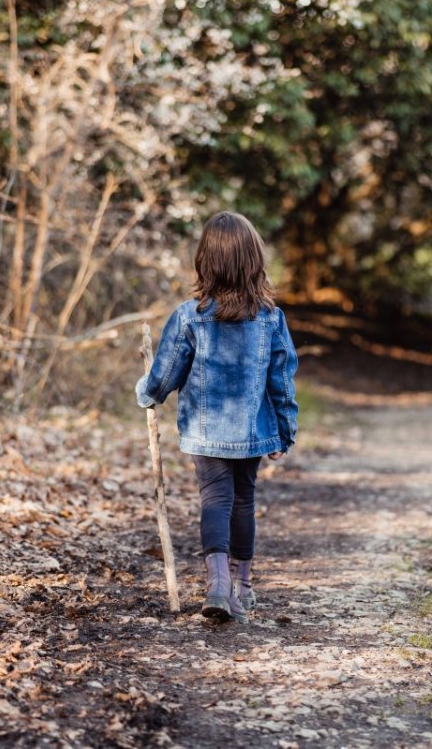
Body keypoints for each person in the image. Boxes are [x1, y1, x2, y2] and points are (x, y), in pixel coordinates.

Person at [136, 211, 300, 624]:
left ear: (205, 261)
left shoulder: (189, 316)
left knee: (215, 499)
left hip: (206, 434)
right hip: (253, 432)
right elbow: (281, 380)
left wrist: (147, 393)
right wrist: (284, 431)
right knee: (243, 501)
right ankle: (241, 587)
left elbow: (165, 375)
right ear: (254, 262)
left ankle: (217, 586)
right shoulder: (271, 319)